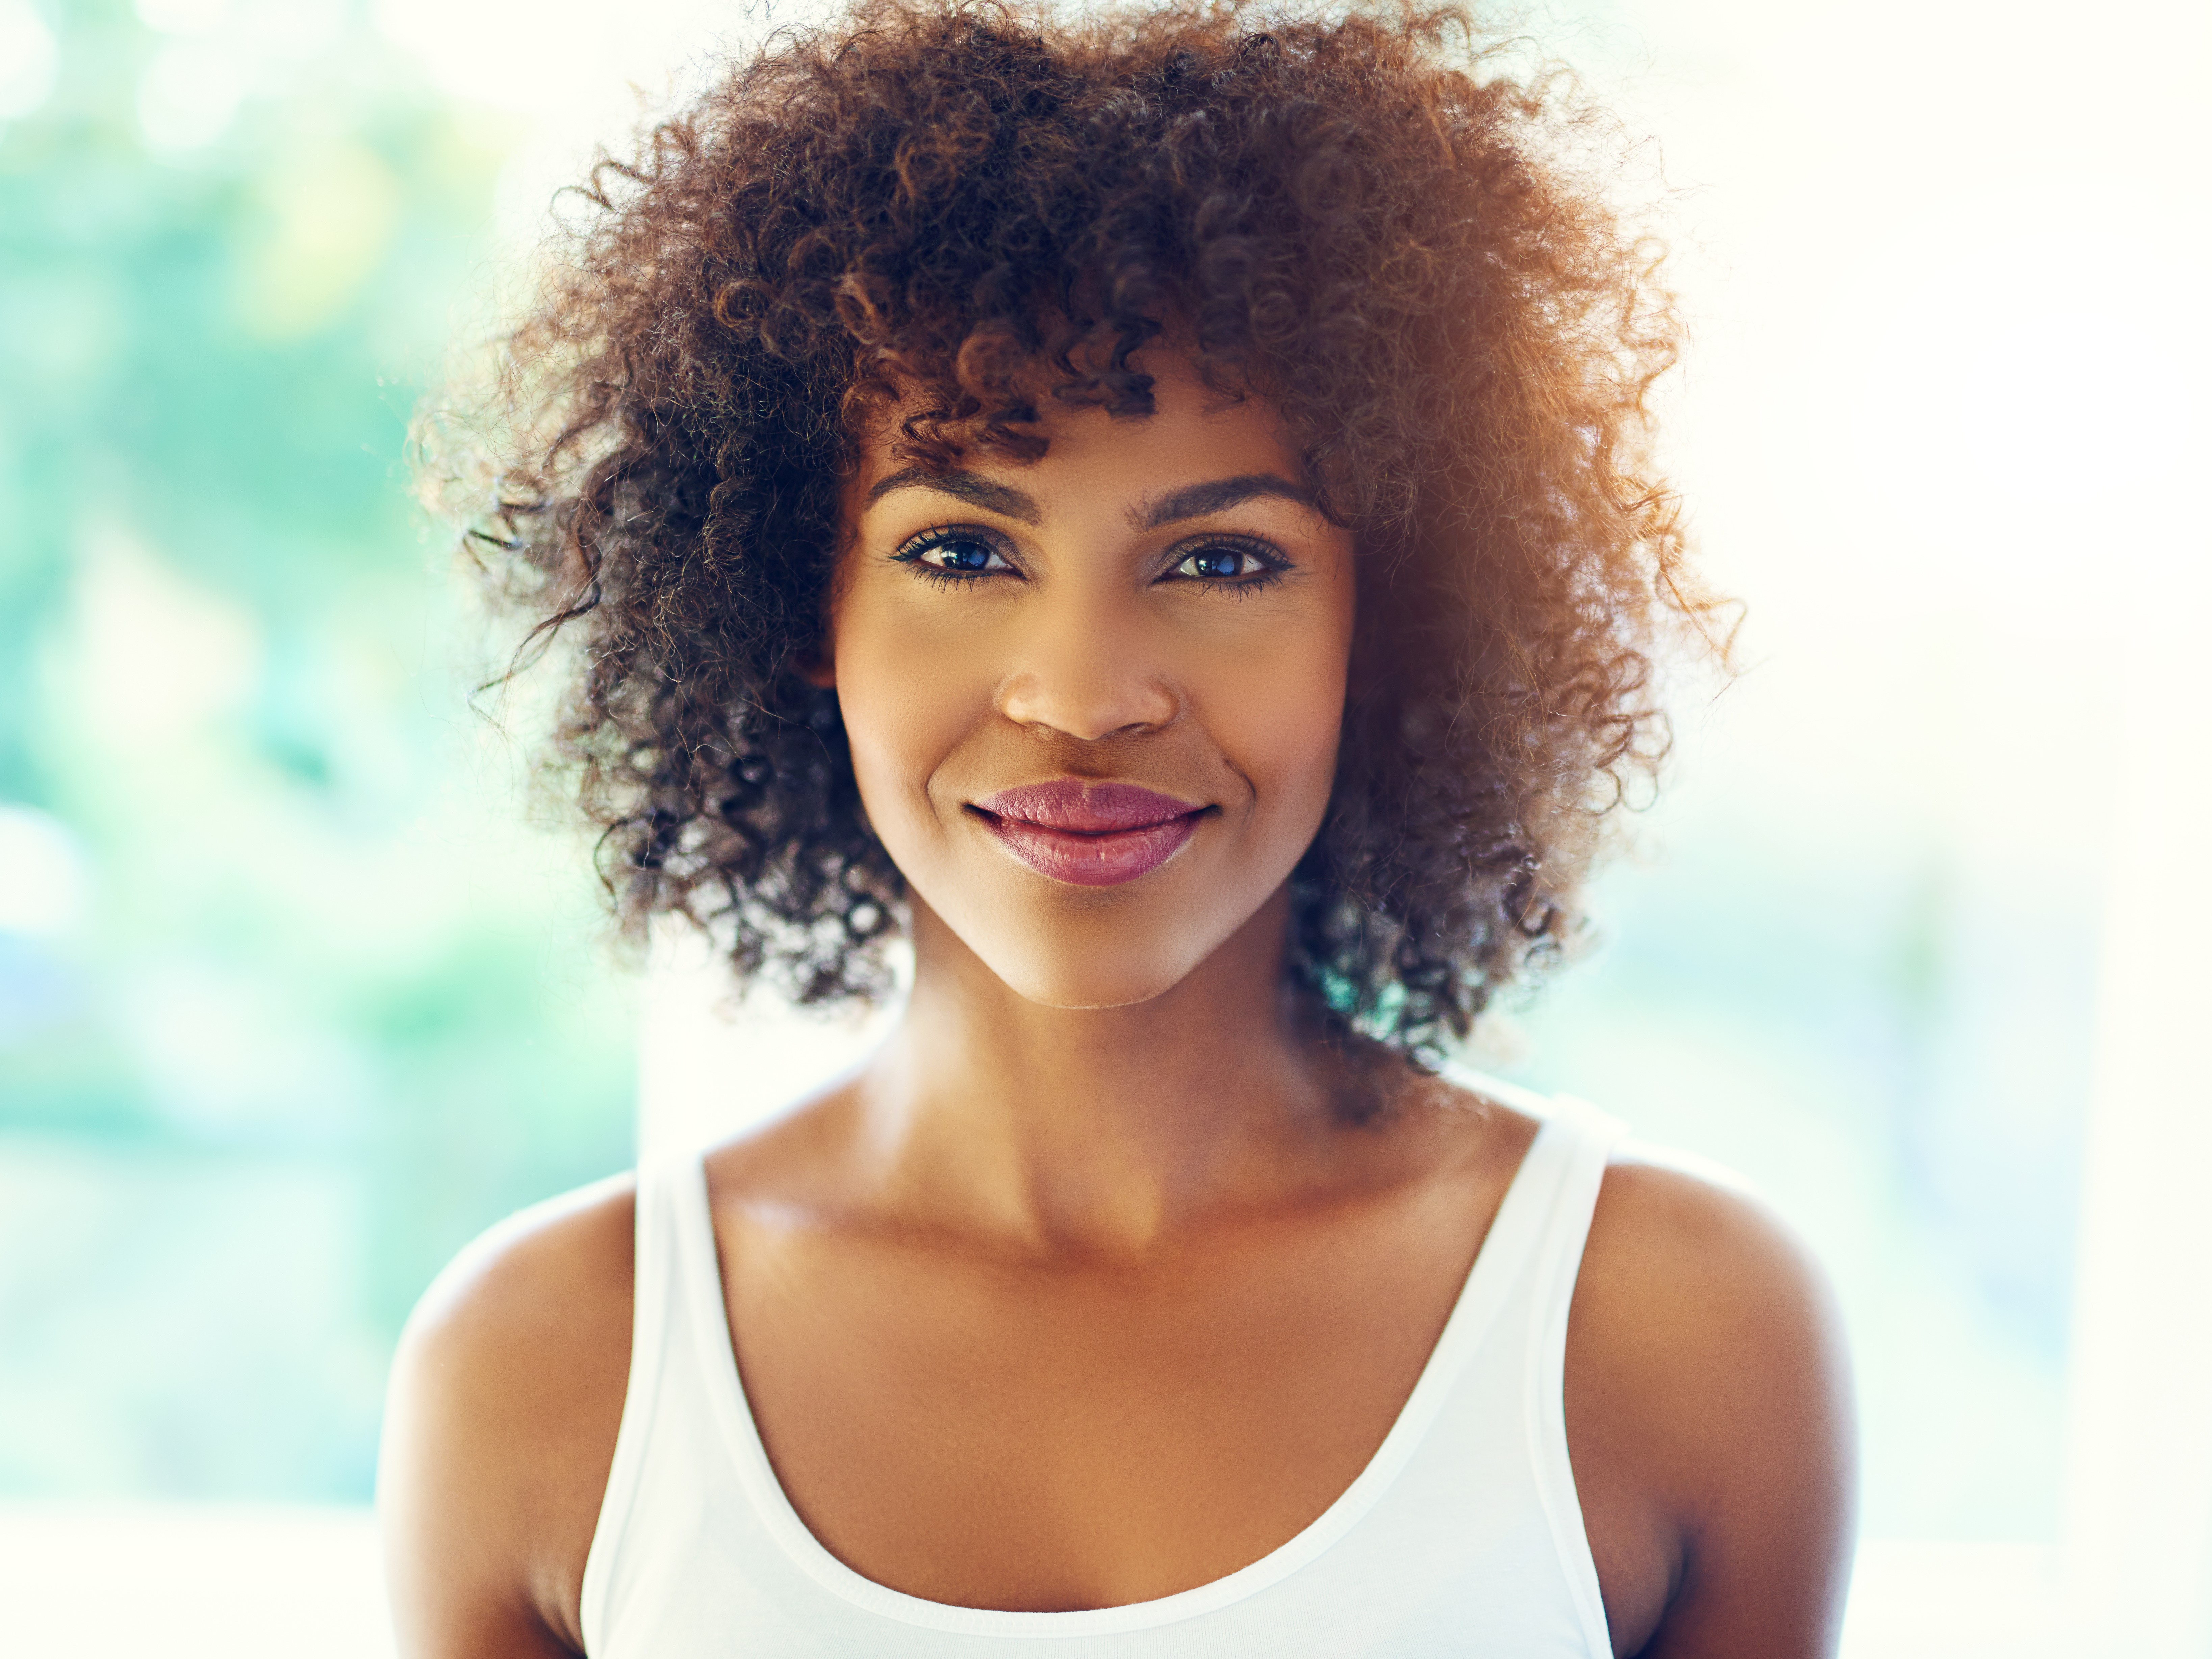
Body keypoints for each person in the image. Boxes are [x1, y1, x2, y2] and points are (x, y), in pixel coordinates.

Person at [379, 2, 1855, 1653]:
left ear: (1403, 614)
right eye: (960, 551)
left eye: (1222, 560)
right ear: (808, 594)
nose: (1082, 694)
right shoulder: (545, 1371)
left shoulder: (1670, 1333)